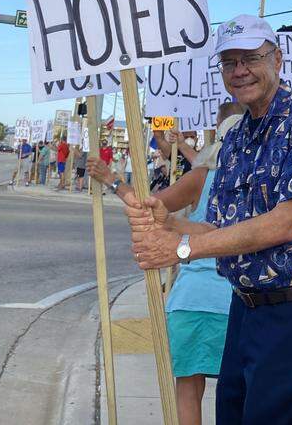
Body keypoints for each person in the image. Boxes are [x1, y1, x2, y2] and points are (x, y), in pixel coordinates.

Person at [124, 14, 292, 425]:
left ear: (277, 59)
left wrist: (181, 248)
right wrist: (168, 222)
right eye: (229, 62)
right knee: (233, 414)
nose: (240, 70)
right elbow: (220, 231)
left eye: (251, 57)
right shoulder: (237, 136)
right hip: (245, 308)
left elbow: (286, 223)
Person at [90, 101, 247, 425]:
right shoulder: (263, 179)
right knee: (240, 393)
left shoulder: (202, 176)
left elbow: (148, 206)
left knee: (187, 390)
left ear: (217, 132)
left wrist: (112, 180)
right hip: (241, 299)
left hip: (192, 297)